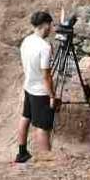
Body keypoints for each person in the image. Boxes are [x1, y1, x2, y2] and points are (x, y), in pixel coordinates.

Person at [15, 12, 56, 163]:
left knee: (26, 116)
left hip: (29, 86)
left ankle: (21, 152)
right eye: (50, 25)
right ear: (45, 25)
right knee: (43, 126)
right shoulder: (44, 47)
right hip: (40, 91)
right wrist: (52, 96)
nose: (51, 29)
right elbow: (46, 76)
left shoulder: (26, 40)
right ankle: (46, 160)